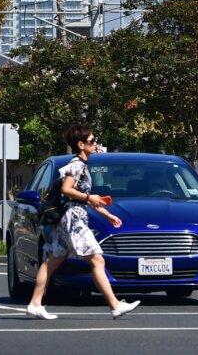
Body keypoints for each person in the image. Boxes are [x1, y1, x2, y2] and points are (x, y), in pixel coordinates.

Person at [26, 124, 140, 321]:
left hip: (69, 219)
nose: (95, 145)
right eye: (92, 141)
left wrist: (107, 214)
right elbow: (67, 190)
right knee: (97, 259)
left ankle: (35, 304)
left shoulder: (81, 165)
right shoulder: (77, 165)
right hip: (73, 220)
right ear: (80, 144)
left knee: (51, 262)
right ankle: (115, 305)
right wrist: (89, 198)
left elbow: (84, 197)